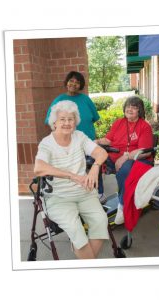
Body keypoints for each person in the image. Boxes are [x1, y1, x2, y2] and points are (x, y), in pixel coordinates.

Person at [35, 100, 109, 259]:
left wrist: (96, 167)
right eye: (62, 119)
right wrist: (71, 175)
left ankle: (84, 260)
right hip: (59, 197)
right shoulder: (47, 143)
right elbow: (39, 167)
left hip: (84, 193)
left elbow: (101, 153)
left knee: (101, 220)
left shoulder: (79, 137)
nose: (67, 123)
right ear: (54, 122)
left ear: (75, 122)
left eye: (70, 119)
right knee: (76, 230)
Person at [44, 71, 106, 203]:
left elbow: (94, 117)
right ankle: (76, 196)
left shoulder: (85, 100)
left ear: (80, 85)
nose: (74, 84)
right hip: (69, 144)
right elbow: (50, 122)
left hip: (89, 142)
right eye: (71, 81)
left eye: (77, 82)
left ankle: (99, 192)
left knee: (95, 166)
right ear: (67, 82)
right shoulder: (59, 100)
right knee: (75, 169)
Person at [96, 96, 154, 225]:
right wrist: (96, 142)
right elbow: (108, 140)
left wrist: (125, 157)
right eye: (128, 106)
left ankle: (123, 204)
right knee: (93, 160)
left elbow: (146, 151)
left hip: (137, 159)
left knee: (125, 169)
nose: (130, 109)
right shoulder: (119, 123)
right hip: (114, 156)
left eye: (134, 107)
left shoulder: (144, 126)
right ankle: (98, 194)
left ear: (140, 111)